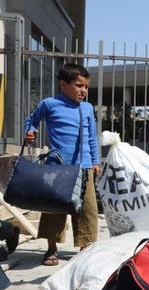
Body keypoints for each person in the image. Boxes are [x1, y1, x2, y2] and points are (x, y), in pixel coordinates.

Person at [24, 63, 101, 266]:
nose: (83, 90)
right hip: (57, 166)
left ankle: (86, 250)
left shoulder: (86, 108)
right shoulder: (49, 104)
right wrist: (29, 132)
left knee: (88, 209)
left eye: (86, 86)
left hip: (84, 167)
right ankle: (51, 249)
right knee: (54, 210)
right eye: (78, 85)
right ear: (63, 84)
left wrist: (95, 161)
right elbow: (31, 121)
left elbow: (92, 137)